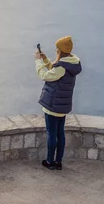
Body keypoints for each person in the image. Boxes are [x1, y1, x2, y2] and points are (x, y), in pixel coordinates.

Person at [34, 36, 82, 170]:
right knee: (60, 133)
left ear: (60, 51)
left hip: (53, 106)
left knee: (52, 134)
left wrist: (38, 61)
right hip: (62, 105)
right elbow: (55, 70)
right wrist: (45, 60)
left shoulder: (62, 67)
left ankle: (50, 161)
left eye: (56, 49)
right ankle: (58, 161)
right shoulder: (71, 64)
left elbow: (46, 75)